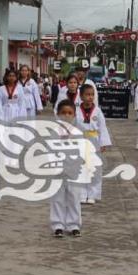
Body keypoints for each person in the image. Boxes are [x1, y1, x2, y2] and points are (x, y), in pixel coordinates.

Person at [50, 99, 84, 237]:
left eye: (70, 113)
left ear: (74, 115)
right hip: (57, 170)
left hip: (74, 170)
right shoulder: (52, 131)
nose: (66, 116)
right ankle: (57, 224)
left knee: (74, 197)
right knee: (57, 198)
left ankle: (74, 224)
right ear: (57, 114)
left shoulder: (79, 131)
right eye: (63, 113)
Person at [75, 83, 111, 204]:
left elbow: (102, 127)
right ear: (81, 96)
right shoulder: (76, 111)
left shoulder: (98, 111)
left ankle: (92, 194)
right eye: (87, 95)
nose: (90, 97)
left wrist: (103, 143)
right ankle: (81, 194)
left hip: (94, 140)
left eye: (92, 95)